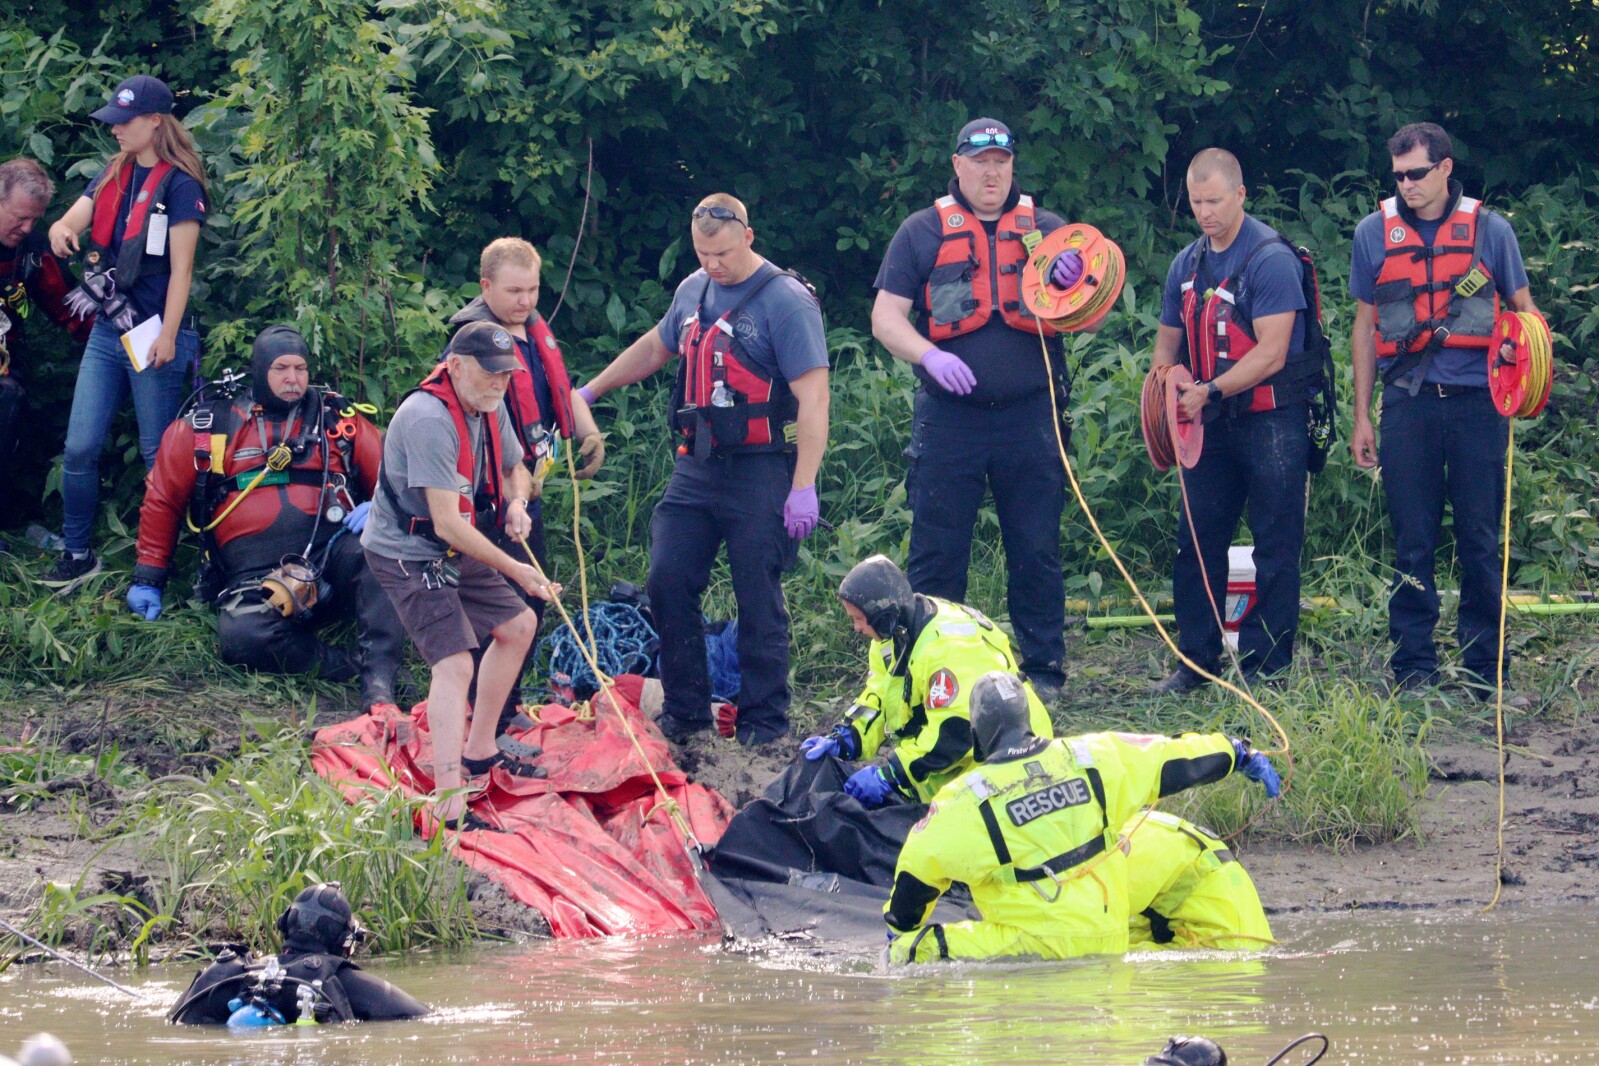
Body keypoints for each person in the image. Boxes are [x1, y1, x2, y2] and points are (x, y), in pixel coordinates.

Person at [577, 193, 829, 746]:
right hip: (697, 464)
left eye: (721, 253)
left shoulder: (786, 303)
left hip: (762, 469)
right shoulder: (694, 289)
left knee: (756, 594)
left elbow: (815, 400)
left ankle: (765, 724)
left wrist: (803, 486)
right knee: (667, 578)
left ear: (748, 237)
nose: (712, 264)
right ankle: (686, 713)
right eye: (701, 253)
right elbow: (656, 347)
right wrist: (592, 389)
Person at [870, 117, 1082, 703]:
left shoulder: (1047, 230)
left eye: (1001, 161)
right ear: (958, 166)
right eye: (980, 161)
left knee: (1035, 545)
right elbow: (885, 319)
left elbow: (1087, 311)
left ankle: (1043, 670)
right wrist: (928, 355)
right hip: (950, 417)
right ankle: (930, 672)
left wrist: (1073, 283)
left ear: (1012, 166)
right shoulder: (921, 232)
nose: (992, 173)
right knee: (938, 551)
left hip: (1030, 414)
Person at [882, 670, 1281, 963]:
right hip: (1106, 934)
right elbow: (1172, 758)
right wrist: (1236, 751)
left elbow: (918, 871)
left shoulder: (963, 800)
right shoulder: (1090, 756)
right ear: (1028, 718)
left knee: (909, 952)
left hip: (1037, 941)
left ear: (976, 735)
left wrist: (899, 930)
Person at [1348, 122, 1537, 696]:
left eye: (1418, 173)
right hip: (1408, 405)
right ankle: (1413, 667)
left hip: (1480, 405)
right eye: (1399, 175)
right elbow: (1363, 326)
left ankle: (1486, 669)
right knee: (1412, 538)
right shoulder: (1371, 234)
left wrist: (1523, 366)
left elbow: (1526, 313)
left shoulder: (1491, 231)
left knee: (1480, 537)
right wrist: (1362, 414)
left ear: (1446, 168)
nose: (1407, 185)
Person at [128, 325, 404, 711]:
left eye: (301, 368)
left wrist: (381, 508)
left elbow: (396, 478)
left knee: (379, 554)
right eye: (280, 368)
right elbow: (162, 499)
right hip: (252, 576)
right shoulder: (209, 426)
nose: (293, 379)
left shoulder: (338, 421)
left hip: (330, 558)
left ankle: (380, 676)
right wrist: (148, 578)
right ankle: (348, 665)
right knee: (242, 635)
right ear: (259, 370)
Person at [361, 320, 559, 826]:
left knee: (519, 626)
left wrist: (516, 503)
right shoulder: (429, 419)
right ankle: (448, 802)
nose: (500, 382)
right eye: (490, 373)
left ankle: (480, 749)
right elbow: (447, 523)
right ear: (455, 367)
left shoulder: (489, 404)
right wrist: (517, 568)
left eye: (506, 374)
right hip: (407, 551)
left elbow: (515, 466)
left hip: (449, 543)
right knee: (454, 665)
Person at [1148, 148, 1315, 694]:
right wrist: (1168, 394)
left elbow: (1272, 352)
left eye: (1215, 201)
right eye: (1196, 202)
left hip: (1272, 422)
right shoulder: (1186, 265)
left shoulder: (1270, 259)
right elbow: (1165, 351)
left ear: (1240, 195)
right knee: (1196, 539)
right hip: (1207, 426)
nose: (1205, 213)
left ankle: (1269, 668)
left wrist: (1209, 391)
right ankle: (1196, 663)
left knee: (1275, 542)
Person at [43, 75, 208, 592]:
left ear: (156, 121)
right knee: (79, 448)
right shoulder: (111, 172)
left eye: (125, 120)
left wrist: (169, 338)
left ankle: (160, 566)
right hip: (108, 333)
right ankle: (76, 552)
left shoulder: (182, 185)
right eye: (112, 119)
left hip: (158, 336)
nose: (114, 129)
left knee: (160, 456)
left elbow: (182, 272)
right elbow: (65, 223)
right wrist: (62, 231)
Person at [446, 237, 603, 719]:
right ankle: (482, 713)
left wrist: (588, 431)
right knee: (503, 610)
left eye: (533, 289)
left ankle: (505, 706)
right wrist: (516, 479)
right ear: (486, 286)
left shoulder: (532, 330)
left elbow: (562, 387)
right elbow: (472, 425)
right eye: (515, 291)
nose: (526, 301)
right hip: (488, 498)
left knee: (530, 601)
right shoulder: (473, 344)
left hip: (527, 491)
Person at [801, 553, 1054, 806]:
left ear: (880, 614)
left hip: (1007, 759)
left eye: (858, 618)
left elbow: (953, 732)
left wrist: (892, 774)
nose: (856, 627)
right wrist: (845, 737)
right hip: (958, 761)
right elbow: (878, 695)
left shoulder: (946, 647)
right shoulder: (890, 635)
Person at [168, 884, 429, 1024]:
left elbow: (173, 1018)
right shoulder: (341, 978)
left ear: (285, 925)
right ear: (343, 940)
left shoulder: (242, 972)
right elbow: (421, 1014)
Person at [0, 158, 92, 529]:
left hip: (7, 373)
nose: (27, 227)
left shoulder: (32, 250)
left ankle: (16, 521)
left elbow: (70, 309)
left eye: (35, 220)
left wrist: (119, 347)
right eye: (20, 217)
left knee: (15, 403)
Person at [1124, 809, 1273, 951]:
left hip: (1221, 943)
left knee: (1114, 960)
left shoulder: (1122, 847)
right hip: (1244, 931)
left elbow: (1105, 925)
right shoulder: (1137, 829)